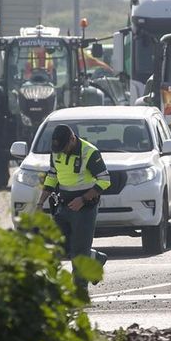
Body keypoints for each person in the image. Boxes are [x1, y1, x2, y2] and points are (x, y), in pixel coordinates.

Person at [36, 124, 110, 291]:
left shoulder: (89, 153)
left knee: (79, 253)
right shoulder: (56, 151)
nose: (61, 151)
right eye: (58, 148)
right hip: (63, 206)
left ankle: (80, 290)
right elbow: (52, 176)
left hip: (85, 208)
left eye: (64, 147)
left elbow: (105, 180)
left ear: (72, 139)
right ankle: (95, 258)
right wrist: (40, 203)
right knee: (56, 245)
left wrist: (83, 199)